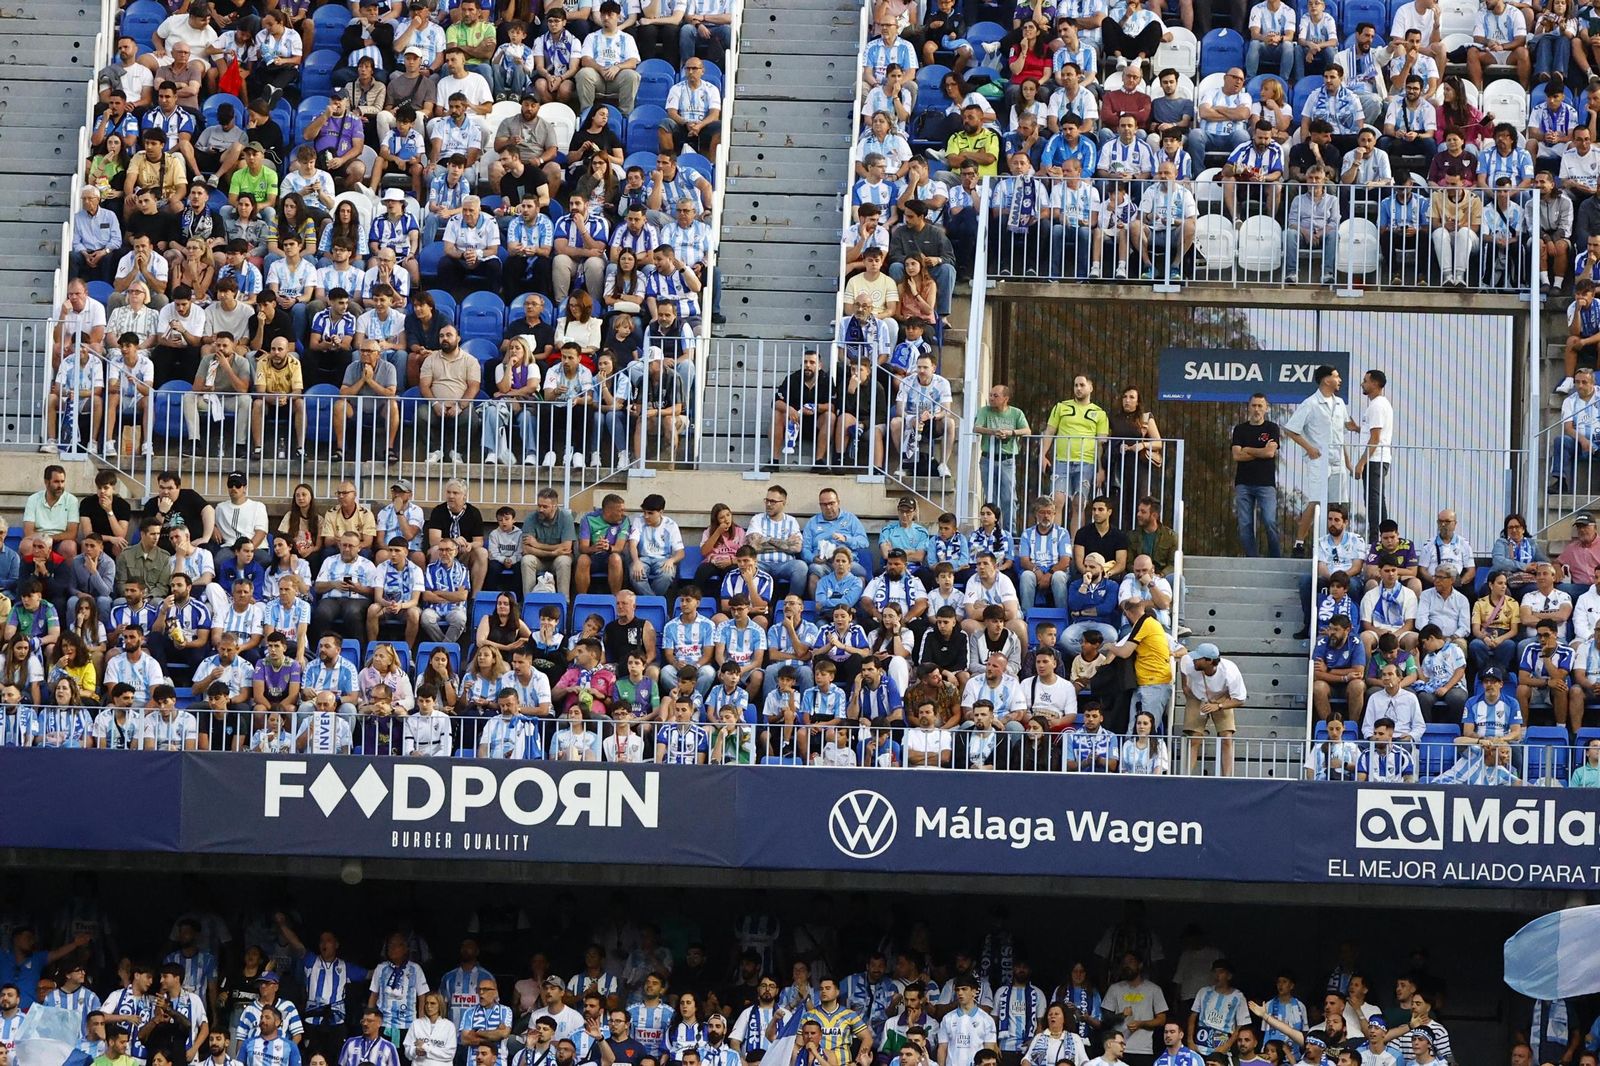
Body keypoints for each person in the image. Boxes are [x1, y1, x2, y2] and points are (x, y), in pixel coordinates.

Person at [1283, 365, 1350, 557]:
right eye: (1336, 376)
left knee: (1339, 505)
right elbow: (1291, 429)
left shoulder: (1340, 403)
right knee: (1316, 502)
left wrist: (1348, 463)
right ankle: (1299, 543)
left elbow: (1342, 435)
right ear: (1326, 379)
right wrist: (1310, 448)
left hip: (1338, 462)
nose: (1340, 380)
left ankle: (1338, 545)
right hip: (1319, 462)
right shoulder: (1310, 403)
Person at [1179, 644, 1246, 777]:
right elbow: (1183, 668)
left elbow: (1240, 699)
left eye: (1198, 658)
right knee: (1194, 738)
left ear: (1209, 661)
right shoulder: (1188, 661)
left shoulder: (1229, 671)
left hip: (1221, 698)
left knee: (1226, 737)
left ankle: (1227, 777)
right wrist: (1185, 687)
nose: (1194, 660)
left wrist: (1219, 706)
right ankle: (1186, 776)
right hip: (1197, 696)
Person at [1231, 393, 1281, 558]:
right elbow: (1237, 455)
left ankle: (1275, 558)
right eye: (1254, 405)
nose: (1257, 409)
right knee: (1245, 524)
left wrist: (1248, 449)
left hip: (1266, 484)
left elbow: (1270, 453)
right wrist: (1261, 451)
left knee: (1269, 520)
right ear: (1248, 407)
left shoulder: (1272, 428)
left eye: (1260, 406)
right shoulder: (1240, 429)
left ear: (1266, 408)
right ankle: (1252, 558)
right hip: (1243, 483)